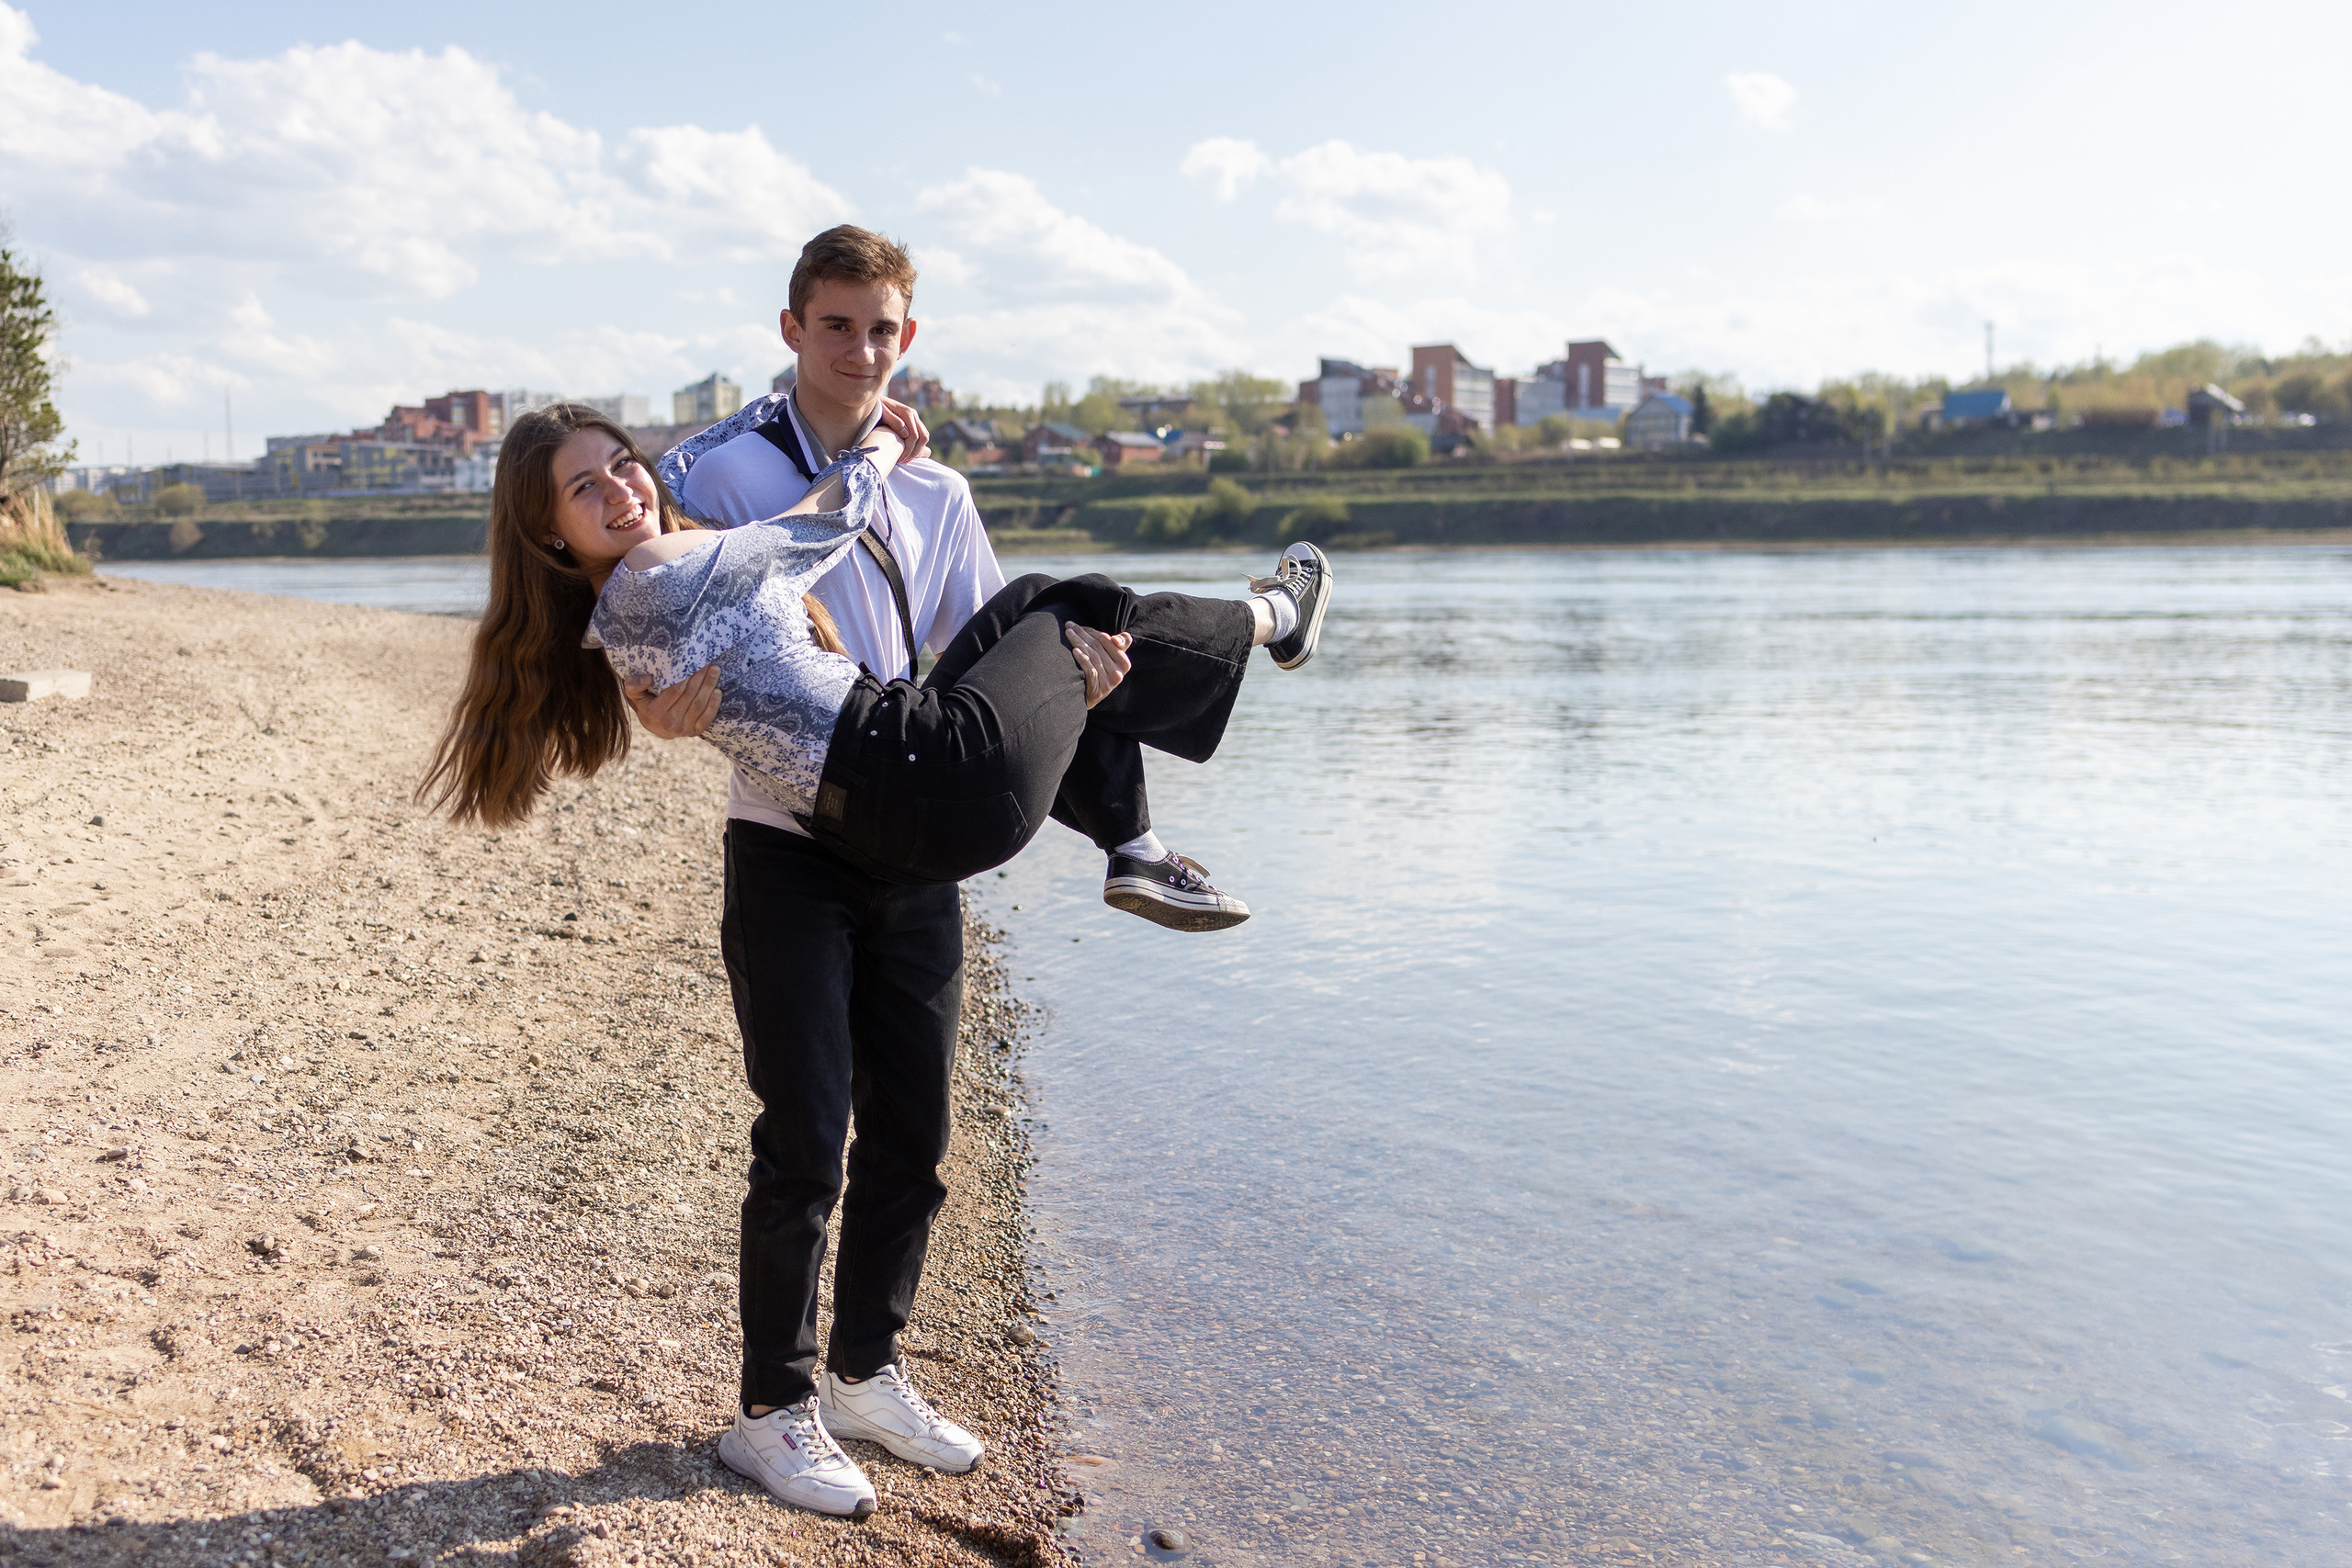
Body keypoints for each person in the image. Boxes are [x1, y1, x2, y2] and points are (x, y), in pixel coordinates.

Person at [418, 400, 1329, 1520]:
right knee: (805, 1140)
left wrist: (831, 448)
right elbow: (820, 526)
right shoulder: (660, 573)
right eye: (585, 488)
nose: (622, 491)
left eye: (623, 466)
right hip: (887, 789)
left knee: (1050, 613)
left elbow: (712, 486)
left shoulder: (673, 546)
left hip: (900, 783)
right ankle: (771, 1415)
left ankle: (862, 1379)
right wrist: (880, 451)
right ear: (550, 532)